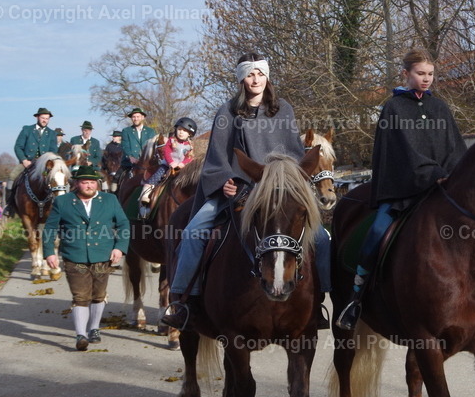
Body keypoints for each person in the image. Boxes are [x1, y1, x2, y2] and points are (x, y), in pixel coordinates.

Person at [161, 53, 310, 330]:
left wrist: (293, 182)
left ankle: (322, 301)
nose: (256, 80)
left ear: (267, 77)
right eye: (250, 74)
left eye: (261, 74)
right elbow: (217, 157)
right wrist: (228, 181)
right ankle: (184, 302)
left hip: (279, 193)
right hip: (240, 191)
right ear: (242, 78)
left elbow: (294, 152)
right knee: (193, 232)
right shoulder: (227, 112)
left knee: (321, 238)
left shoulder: (284, 110)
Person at [335, 48, 467, 331]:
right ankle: (356, 297)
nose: (426, 79)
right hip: (404, 191)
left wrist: (452, 175)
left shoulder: (440, 108)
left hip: (442, 190)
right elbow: (405, 153)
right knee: (375, 233)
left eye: (430, 74)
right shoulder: (393, 108)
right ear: (406, 74)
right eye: (420, 73)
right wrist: (432, 174)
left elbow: (455, 147)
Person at [43, 166, 130, 350]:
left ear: (97, 183)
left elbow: (123, 224)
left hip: (102, 255)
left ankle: (94, 328)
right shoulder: (63, 201)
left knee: (98, 295)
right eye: (85, 182)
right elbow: (50, 228)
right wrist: (50, 251)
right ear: (76, 183)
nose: (89, 186)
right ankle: (81, 335)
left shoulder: (110, 199)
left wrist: (120, 248)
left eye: (92, 182)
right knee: (80, 296)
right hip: (75, 255)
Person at [7, 107, 59, 217]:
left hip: (44, 165)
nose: (45, 120)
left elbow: (53, 151)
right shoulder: (27, 130)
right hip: (27, 162)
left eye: (47, 118)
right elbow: (18, 147)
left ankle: (57, 206)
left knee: (58, 180)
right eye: (43, 118)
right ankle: (10, 206)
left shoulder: (52, 133)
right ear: (37, 117)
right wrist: (24, 160)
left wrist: (48, 163)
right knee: (12, 177)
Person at [139, 117, 196, 215]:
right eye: (179, 129)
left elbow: (189, 157)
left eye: (184, 131)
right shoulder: (171, 141)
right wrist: (171, 163)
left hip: (182, 168)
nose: (181, 132)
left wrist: (183, 163)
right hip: (168, 165)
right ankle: (145, 195)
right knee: (157, 176)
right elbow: (166, 152)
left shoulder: (189, 146)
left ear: (189, 134)